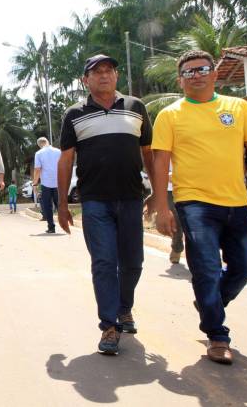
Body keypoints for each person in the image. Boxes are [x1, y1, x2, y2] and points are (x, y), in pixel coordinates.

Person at [151, 50, 247, 365]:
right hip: (194, 203)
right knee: (207, 270)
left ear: (215, 74)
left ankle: (210, 303)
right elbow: (161, 163)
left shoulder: (238, 108)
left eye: (202, 69)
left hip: (237, 202)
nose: (196, 75)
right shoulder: (170, 115)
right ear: (180, 80)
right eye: (188, 72)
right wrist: (162, 207)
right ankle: (217, 335)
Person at [57, 54, 154, 356]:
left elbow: (148, 154)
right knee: (103, 263)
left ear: (117, 76)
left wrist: (159, 195)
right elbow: (66, 159)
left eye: (109, 70)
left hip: (131, 198)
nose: (103, 75)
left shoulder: (136, 108)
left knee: (133, 262)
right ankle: (109, 326)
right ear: (85, 80)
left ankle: (124, 309)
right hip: (95, 201)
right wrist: (62, 204)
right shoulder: (74, 114)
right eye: (96, 72)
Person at [34, 137, 61, 234]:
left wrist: (35, 183)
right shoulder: (58, 151)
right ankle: (65, 224)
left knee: (48, 206)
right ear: (48, 142)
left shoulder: (38, 153)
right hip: (58, 183)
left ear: (39, 145)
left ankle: (51, 227)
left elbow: (37, 169)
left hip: (46, 184)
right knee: (60, 205)